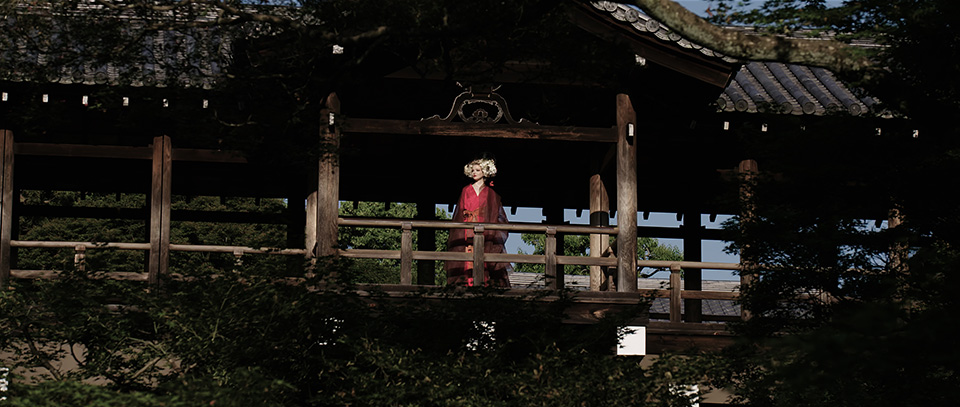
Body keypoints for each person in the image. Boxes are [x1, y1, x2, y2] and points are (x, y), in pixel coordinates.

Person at [445, 157, 511, 287]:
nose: (474, 173)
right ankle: (467, 283)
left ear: (484, 172)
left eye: (478, 170)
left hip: (485, 230)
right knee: (467, 254)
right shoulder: (465, 190)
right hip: (467, 229)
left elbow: (496, 215)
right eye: (473, 170)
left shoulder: (491, 194)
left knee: (484, 254)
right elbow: (459, 212)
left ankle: (483, 283)